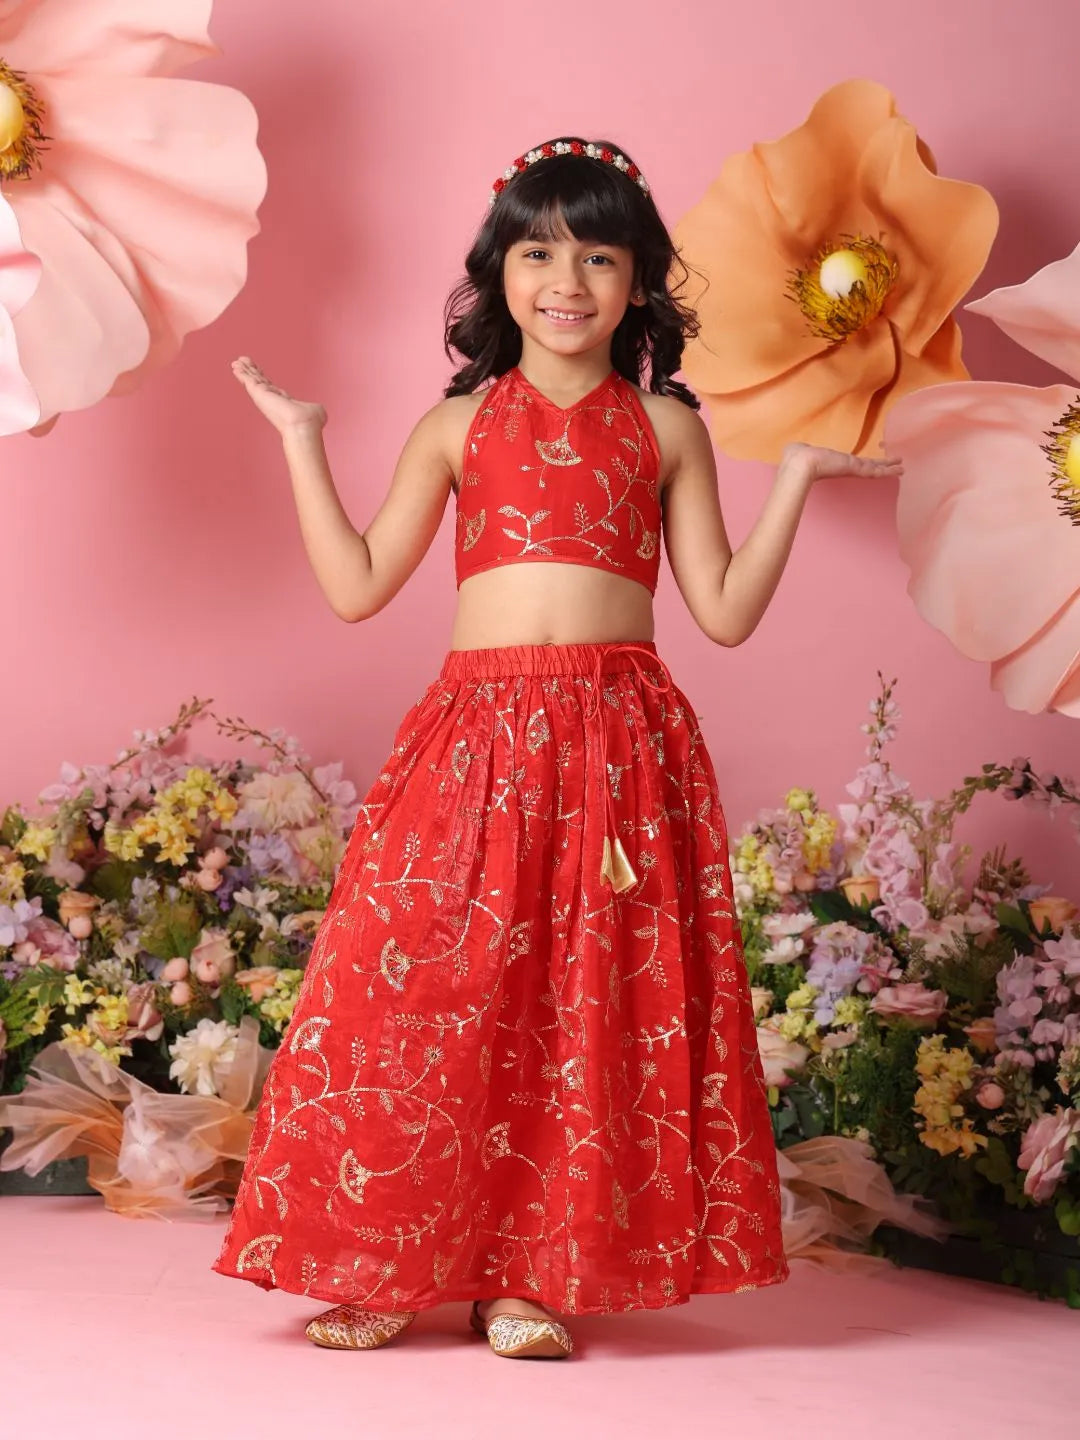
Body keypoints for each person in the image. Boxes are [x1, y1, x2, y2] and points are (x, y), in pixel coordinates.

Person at [211, 136, 902, 1359]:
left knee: (581, 1009)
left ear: (638, 282)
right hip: (473, 737)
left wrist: (795, 475)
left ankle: (528, 1277)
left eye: (598, 256)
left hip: (618, 745)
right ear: (499, 273)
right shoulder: (458, 426)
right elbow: (357, 586)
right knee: (426, 990)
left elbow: (724, 613)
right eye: (537, 253)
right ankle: (391, 1260)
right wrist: (302, 438)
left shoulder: (666, 429)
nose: (566, 281)